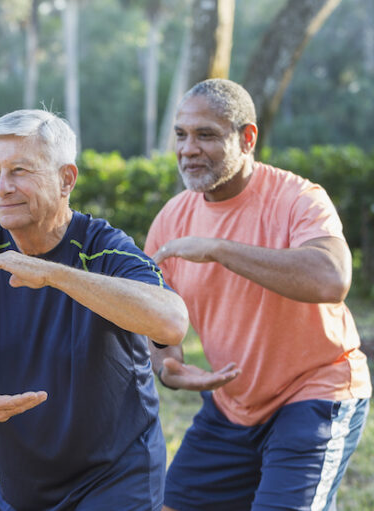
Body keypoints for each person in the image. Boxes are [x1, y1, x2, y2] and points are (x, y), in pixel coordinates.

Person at [0, 109, 189, 511]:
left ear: (67, 179)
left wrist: (52, 273)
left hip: (118, 478)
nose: (2, 188)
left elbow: (171, 323)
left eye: (19, 170)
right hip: (22, 488)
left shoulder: (103, 246)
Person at [145, 78, 372, 511]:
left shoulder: (298, 198)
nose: (188, 149)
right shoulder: (172, 219)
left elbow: (331, 278)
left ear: (247, 138)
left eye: (206, 135)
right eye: (181, 135)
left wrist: (219, 249)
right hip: (233, 405)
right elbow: (155, 313)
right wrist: (168, 364)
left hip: (316, 391)